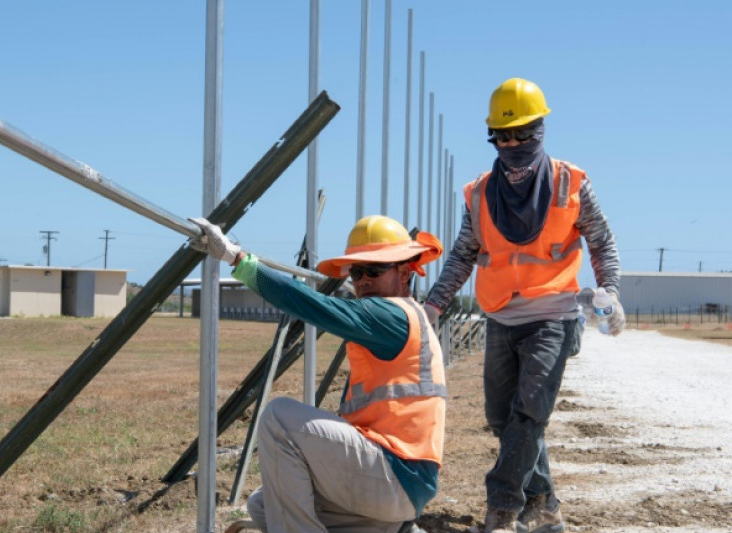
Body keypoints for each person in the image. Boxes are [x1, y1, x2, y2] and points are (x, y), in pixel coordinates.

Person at [422, 78, 624, 533]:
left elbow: (602, 240)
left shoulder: (571, 183)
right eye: (501, 136)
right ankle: (546, 505)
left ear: (540, 132)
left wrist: (609, 288)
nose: (510, 144)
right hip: (500, 316)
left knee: (530, 411)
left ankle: (502, 510)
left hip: (553, 314)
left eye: (520, 135)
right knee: (502, 418)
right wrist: (434, 306)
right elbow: (462, 253)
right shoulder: (478, 193)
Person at [191, 215, 446, 533]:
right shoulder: (406, 317)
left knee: (279, 418)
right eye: (356, 271)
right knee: (263, 504)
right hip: (395, 484)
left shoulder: (390, 314)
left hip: (395, 475)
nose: (363, 279)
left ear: (404, 273)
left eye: (374, 270)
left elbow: (310, 304)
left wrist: (236, 257)